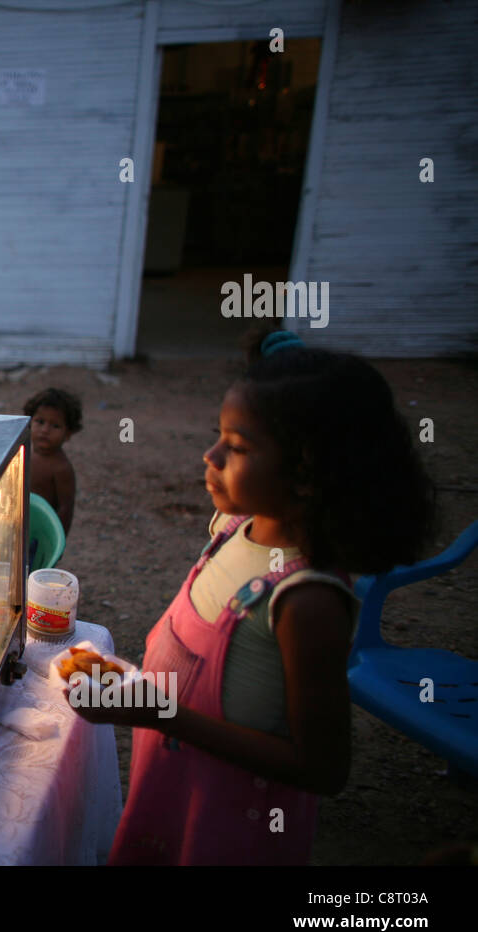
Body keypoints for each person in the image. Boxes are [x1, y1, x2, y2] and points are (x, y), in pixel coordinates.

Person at [68, 328, 436, 865]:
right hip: (172, 785)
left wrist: (164, 715)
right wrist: (136, 690)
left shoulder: (306, 601)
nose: (210, 454)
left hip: (231, 823)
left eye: (236, 447)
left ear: (307, 473)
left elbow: (322, 768)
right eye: (219, 435)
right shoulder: (235, 528)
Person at [23, 387, 80, 534]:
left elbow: (65, 508)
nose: (45, 430)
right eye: (40, 421)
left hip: (40, 532)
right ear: (29, 423)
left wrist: (59, 537)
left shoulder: (61, 468)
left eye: (55, 426)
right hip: (18, 523)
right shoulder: (23, 452)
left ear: (68, 434)